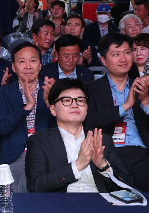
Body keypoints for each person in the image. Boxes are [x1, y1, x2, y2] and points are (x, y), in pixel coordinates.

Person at [26, 78, 133, 193]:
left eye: (80, 100)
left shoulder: (101, 139)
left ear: (86, 108)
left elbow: (127, 185)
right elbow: (35, 186)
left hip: (99, 203)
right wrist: (77, 165)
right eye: (66, 100)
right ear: (53, 109)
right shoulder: (39, 141)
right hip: (60, 204)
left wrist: (103, 166)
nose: (75, 105)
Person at [84, 33, 149, 192]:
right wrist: (125, 106)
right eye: (116, 54)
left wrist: (146, 101)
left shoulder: (144, 87)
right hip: (107, 153)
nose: (123, 58)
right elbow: (89, 121)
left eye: (127, 52)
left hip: (141, 154)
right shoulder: (90, 89)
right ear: (104, 61)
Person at [0, 41, 55, 192]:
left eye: (33, 61)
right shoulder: (3, 93)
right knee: (16, 192)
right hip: (16, 154)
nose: (28, 66)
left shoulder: (52, 91)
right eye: (22, 62)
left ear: (40, 65)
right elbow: (2, 128)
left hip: (46, 154)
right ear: (14, 67)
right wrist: (27, 107)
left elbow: (62, 129)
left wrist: (50, 104)